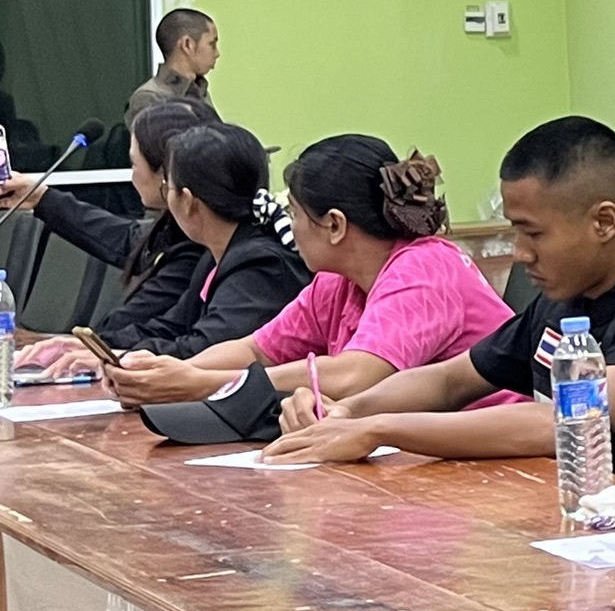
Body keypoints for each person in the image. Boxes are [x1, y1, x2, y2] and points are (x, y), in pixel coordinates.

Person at [260, 116, 615, 475]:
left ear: (604, 222)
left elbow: (567, 424)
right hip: (579, 514)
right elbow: (450, 380)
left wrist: (379, 430)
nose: (521, 253)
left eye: (533, 233)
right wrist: (346, 413)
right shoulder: (569, 293)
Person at [108, 134, 516, 408]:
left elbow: (357, 376)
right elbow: (257, 349)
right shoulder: (337, 282)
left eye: (294, 213)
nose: (289, 226)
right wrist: (170, 374)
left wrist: (204, 383)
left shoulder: (423, 270)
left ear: (335, 225)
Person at [2, 98, 217, 372]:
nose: (131, 176)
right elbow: (130, 239)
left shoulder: (199, 246)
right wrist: (41, 198)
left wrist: (94, 345)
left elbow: (135, 327)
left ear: (167, 175)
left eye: (134, 164)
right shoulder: (177, 228)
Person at [89, 123, 307, 362]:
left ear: (187, 201)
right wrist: (99, 347)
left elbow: (207, 348)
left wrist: (122, 357)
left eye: (167, 187)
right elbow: (172, 326)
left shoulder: (261, 265)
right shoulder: (216, 256)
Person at [127, 8, 218, 124]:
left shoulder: (200, 90)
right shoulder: (149, 97)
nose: (217, 53)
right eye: (212, 44)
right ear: (187, 45)